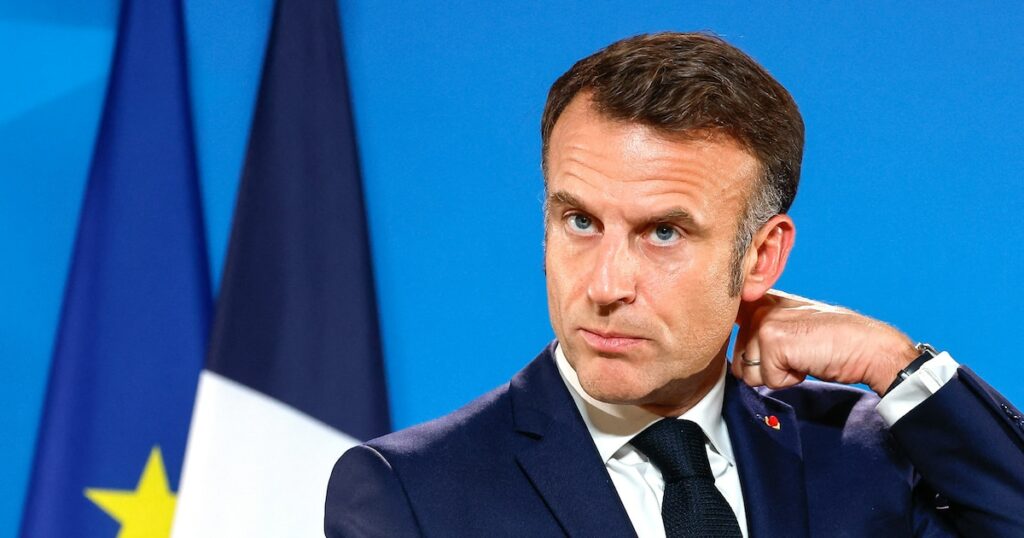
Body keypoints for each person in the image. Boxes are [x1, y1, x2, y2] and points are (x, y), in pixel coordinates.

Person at [325, 32, 1024, 537]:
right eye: (580, 220)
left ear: (761, 257)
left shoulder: (861, 453)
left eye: (663, 232)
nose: (604, 283)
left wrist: (892, 363)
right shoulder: (413, 494)